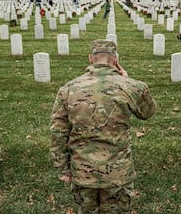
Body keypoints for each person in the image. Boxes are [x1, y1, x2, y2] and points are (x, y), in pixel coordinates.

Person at [50, 39, 157, 214]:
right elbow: (148, 112)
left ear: (91, 59)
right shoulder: (132, 86)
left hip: (83, 171)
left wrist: (62, 167)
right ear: (115, 60)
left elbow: (58, 131)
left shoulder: (68, 89)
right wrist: (128, 81)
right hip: (117, 172)